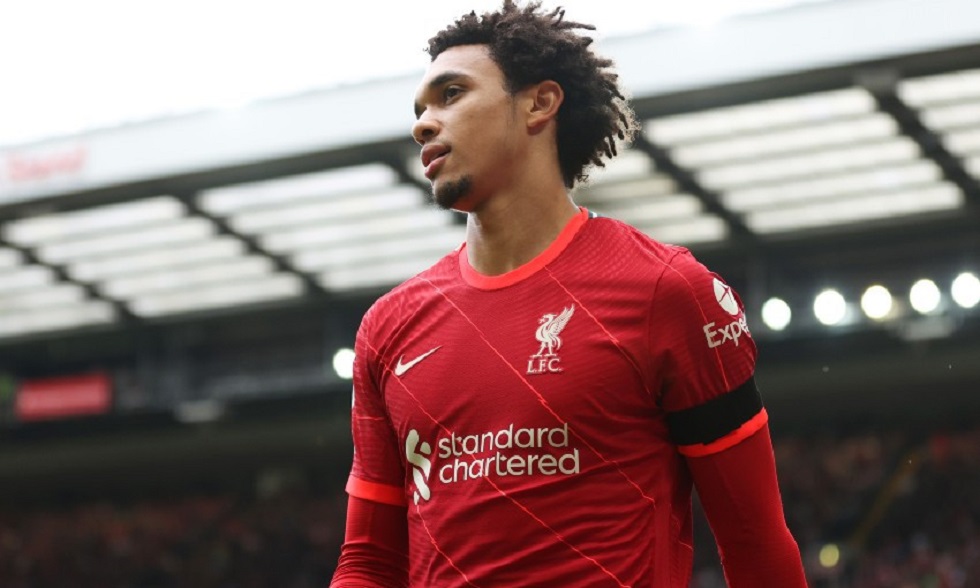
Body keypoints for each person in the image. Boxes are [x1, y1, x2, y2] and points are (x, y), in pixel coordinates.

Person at [331, 2, 808, 586]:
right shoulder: (388, 327)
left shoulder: (666, 291)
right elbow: (370, 562)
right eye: (420, 110)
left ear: (540, 103)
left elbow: (755, 544)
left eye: (451, 94)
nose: (423, 124)